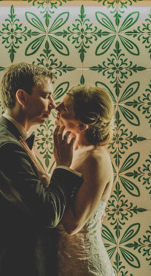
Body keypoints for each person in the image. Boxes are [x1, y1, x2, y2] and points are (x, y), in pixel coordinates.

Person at [0, 63, 84, 276]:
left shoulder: (7, 138)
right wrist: (62, 166)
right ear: (22, 97)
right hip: (16, 267)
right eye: (46, 96)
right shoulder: (8, 148)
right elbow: (49, 214)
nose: (53, 105)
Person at [54, 85, 116, 276]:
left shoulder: (95, 159)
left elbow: (73, 224)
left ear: (81, 125)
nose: (56, 107)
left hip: (84, 267)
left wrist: (60, 169)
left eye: (65, 107)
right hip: (65, 263)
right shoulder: (74, 150)